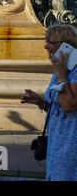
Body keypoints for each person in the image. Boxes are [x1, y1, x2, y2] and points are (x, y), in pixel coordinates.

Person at [22, 24, 77, 181]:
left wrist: (61, 75)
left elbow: (69, 106)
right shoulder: (61, 68)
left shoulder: (70, 71)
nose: (46, 46)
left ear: (66, 46)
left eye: (51, 42)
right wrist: (41, 102)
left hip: (71, 144)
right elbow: (59, 108)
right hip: (57, 142)